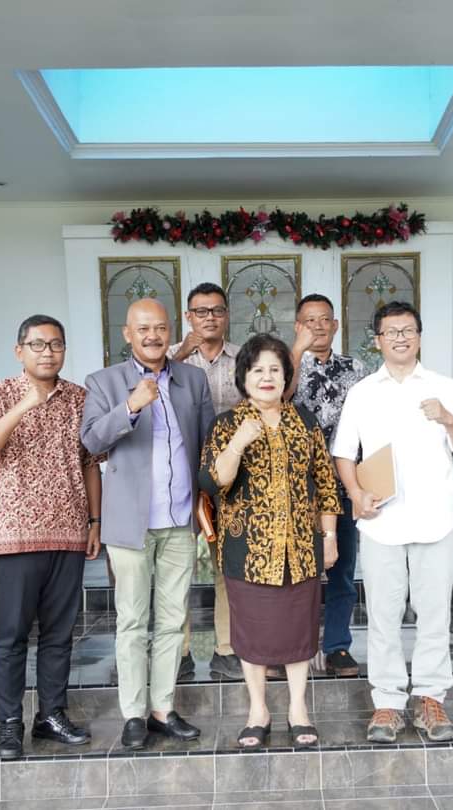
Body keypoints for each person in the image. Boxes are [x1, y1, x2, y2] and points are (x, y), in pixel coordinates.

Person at [332, 301, 453, 743]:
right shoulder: (363, 392)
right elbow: (344, 453)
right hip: (382, 523)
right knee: (383, 616)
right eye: (391, 331)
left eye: (408, 330)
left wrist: (447, 418)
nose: (400, 337)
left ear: (419, 336)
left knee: (434, 614)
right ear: (377, 340)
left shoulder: (443, 387)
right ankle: (388, 703)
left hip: (434, 520)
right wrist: (355, 493)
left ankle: (431, 698)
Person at [81, 298, 214, 750]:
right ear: (128, 334)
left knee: (174, 620)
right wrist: (131, 407)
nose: (153, 336)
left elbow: (208, 442)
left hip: (179, 519)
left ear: (170, 330)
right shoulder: (103, 382)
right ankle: (134, 714)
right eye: (143, 329)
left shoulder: (192, 379)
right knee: (134, 620)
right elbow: (92, 440)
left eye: (160, 327)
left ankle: (163, 709)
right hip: (130, 524)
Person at [0, 314, 103, 759]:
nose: (48, 352)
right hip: (14, 535)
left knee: (59, 634)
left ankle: (51, 715)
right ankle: (9, 724)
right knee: (11, 635)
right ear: (19, 350)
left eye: (56, 344)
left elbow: (90, 463)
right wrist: (25, 405)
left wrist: (94, 521)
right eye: (38, 344)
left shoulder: (80, 398)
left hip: (68, 533)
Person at [200, 334, 341, 749]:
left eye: (275, 370)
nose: (267, 377)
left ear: (286, 376)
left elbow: (326, 484)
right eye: (258, 369)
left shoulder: (305, 422)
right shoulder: (226, 424)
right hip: (247, 550)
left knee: (299, 631)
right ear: (243, 377)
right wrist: (239, 442)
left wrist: (329, 536)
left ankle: (298, 709)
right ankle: (257, 711)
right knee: (252, 634)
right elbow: (213, 482)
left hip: (300, 547)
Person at [287, 293, 367, 677]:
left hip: (344, 480)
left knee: (342, 568)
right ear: (297, 326)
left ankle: (337, 646)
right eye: (310, 320)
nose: (318, 326)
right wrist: (296, 352)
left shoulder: (357, 368)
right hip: (296, 484)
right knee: (294, 570)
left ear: (335, 325)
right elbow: (278, 397)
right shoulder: (284, 363)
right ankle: (292, 645)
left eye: (324, 319)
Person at [168, 282, 242, 681]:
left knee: (227, 566)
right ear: (188, 317)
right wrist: (179, 354)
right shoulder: (169, 358)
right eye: (201, 311)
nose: (209, 317)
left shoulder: (244, 359)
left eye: (216, 310)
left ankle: (226, 649)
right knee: (177, 567)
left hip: (230, 479)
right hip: (179, 477)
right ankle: (177, 653)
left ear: (226, 315)